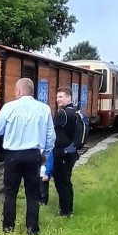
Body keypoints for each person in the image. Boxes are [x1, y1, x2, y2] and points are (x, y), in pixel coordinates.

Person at [0, 77, 56, 235]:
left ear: (18, 91)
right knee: (33, 194)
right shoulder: (44, 108)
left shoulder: (9, 107)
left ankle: (8, 228)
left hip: (13, 156)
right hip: (34, 155)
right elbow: (51, 137)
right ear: (32, 91)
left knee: (10, 192)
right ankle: (32, 229)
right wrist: (45, 154)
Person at [52, 86, 82, 218]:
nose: (58, 99)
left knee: (61, 182)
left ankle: (65, 211)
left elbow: (51, 131)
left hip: (63, 154)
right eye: (57, 97)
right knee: (66, 182)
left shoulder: (62, 114)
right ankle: (67, 209)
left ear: (69, 98)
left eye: (61, 97)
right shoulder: (75, 113)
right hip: (71, 152)